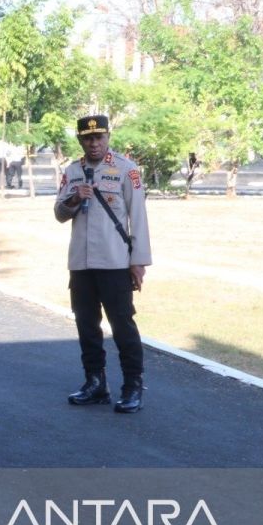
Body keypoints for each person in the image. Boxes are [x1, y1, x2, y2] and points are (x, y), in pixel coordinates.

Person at [54, 114, 152, 414]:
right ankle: (95, 383)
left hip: (114, 263)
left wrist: (138, 263)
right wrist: (73, 198)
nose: (94, 143)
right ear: (80, 140)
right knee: (87, 325)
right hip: (81, 264)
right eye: (87, 138)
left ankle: (132, 386)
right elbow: (59, 213)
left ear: (108, 137)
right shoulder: (72, 171)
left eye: (99, 137)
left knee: (122, 326)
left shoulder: (125, 170)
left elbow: (139, 218)